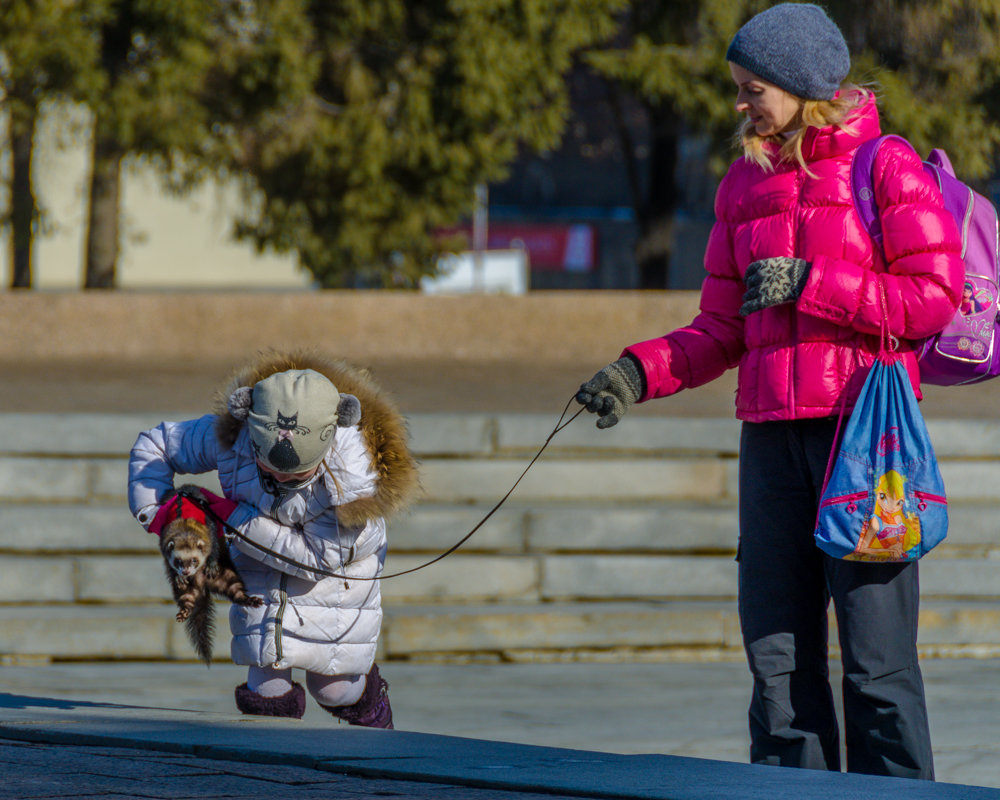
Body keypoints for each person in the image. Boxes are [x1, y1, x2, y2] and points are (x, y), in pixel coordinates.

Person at [576, 2, 963, 780]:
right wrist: (636, 370)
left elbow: (931, 299)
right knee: (778, 665)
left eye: (753, 87)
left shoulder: (885, 166)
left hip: (865, 441)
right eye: (739, 88)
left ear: (799, 82)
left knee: (877, 666)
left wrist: (815, 283)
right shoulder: (743, 187)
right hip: (772, 444)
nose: (741, 104)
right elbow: (720, 329)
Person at [128, 349, 418, 726]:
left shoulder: (353, 481)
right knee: (266, 686)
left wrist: (229, 515)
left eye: (298, 472)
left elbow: (314, 559)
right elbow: (156, 446)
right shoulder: (237, 434)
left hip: (334, 584)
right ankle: (275, 776)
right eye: (270, 467)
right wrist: (157, 512)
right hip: (260, 570)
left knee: (332, 689)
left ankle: (375, 715)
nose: (282, 479)